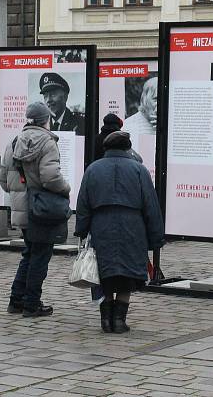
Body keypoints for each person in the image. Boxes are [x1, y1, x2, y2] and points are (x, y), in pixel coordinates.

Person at [75, 131, 164, 333]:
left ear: (106, 148)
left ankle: (105, 320)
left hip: (101, 226)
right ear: (127, 148)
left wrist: (82, 229)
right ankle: (119, 321)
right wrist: (155, 237)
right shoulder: (139, 170)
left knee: (104, 273)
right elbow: (151, 205)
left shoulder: (93, 169)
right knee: (127, 273)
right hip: (132, 227)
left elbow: (83, 203)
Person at [0, 102, 71, 317]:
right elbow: (51, 178)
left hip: (22, 209)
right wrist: (66, 188)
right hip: (42, 209)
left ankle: (16, 300)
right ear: (45, 120)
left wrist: (21, 191)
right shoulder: (47, 142)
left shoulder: (13, 142)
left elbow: (3, 180)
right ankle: (31, 304)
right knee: (40, 256)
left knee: (30, 253)